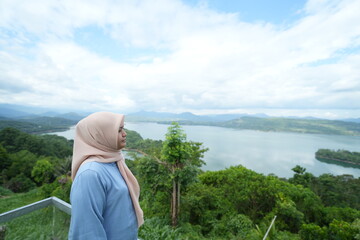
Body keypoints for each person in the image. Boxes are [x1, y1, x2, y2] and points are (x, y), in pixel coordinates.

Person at [69, 112, 144, 240]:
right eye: (119, 130)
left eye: (123, 128)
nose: (125, 133)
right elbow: (87, 233)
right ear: (100, 135)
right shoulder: (90, 174)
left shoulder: (113, 162)